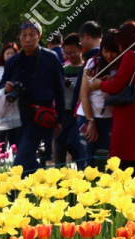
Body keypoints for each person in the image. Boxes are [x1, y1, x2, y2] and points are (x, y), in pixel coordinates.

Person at [90, 21, 135, 176]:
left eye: (120, 43)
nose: (120, 48)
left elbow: (116, 87)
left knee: (122, 163)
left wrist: (99, 84)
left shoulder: (131, 55)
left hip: (128, 116)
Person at [0, 21, 66, 173]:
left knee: (20, 163)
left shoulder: (51, 58)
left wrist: (60, 120)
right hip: (17, 116)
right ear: (20, 38)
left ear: (39, 36)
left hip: (40, 116)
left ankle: (11, 194)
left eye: (32, 35)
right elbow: (1, 86)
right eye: (24, 36)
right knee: (28, 162)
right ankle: (44, 187)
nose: (28, 39)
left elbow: (59, 90)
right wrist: (6, 87)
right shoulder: (13, 62)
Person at [76, 30, 117, 168]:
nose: (109, 55)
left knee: (107, 164)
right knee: (87, 161)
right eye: (105, 51)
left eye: (113, 51)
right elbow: (84, 95)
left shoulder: (122, 66)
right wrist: (91, 121)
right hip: (88, 117)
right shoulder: (93, 63)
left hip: (110, 119)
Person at [54, 33, 84, 166]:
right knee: (60, 150)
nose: (69, 56)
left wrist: (66, 83)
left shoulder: (85, 69)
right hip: (62, 113)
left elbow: (80, 92)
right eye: (66, 53)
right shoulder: (62, 69)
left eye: (72, 52)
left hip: (77, 115)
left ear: (80, 49)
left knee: (76, 150)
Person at [0, 43, 21, 149]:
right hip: (1, 106)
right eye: (7, 53)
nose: (10, 56)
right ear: (3, 54)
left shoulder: (19, 68)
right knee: (0, 136)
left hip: (15, 107)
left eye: (13, 53)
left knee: (15, 136)